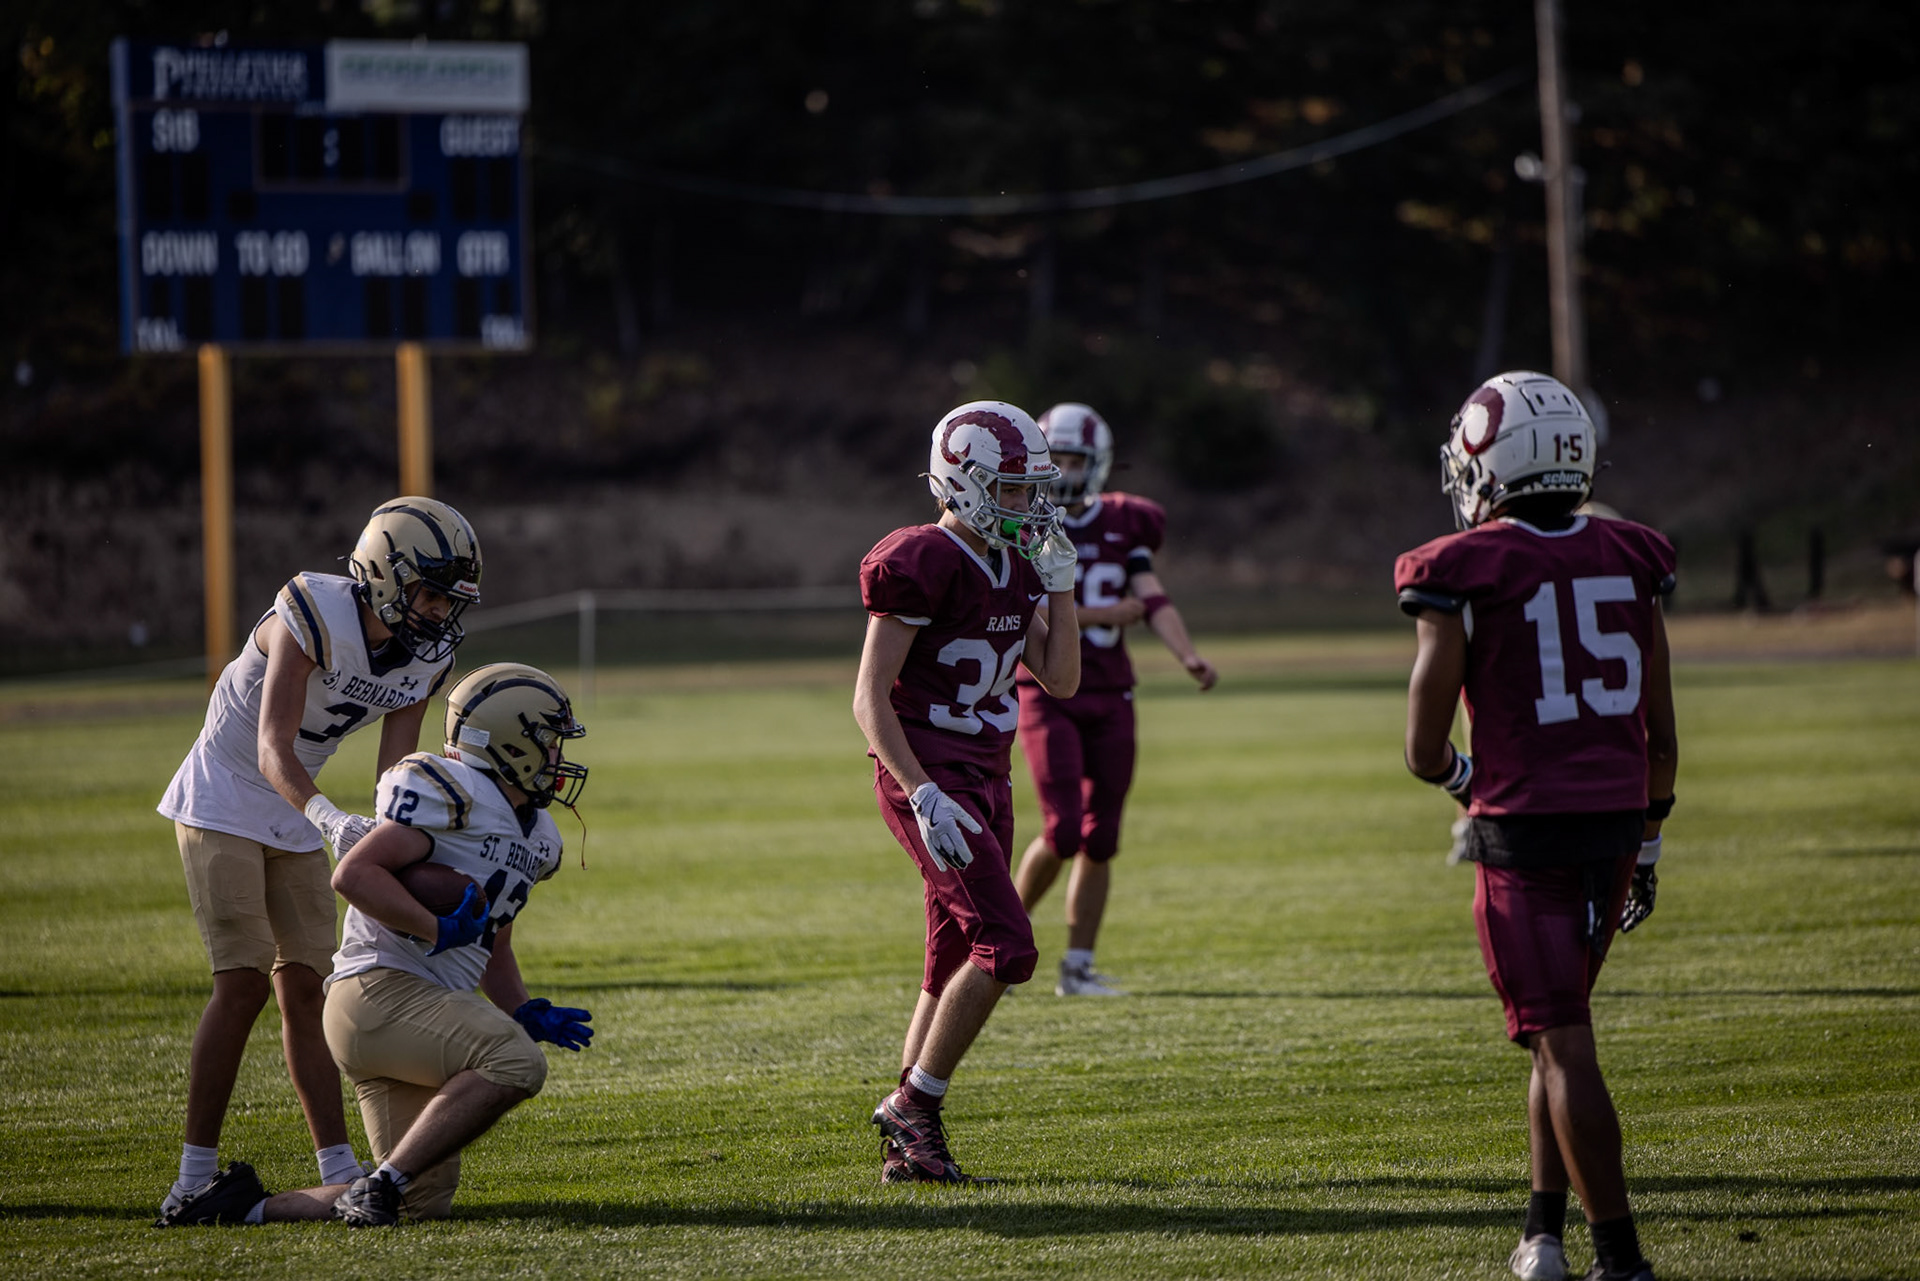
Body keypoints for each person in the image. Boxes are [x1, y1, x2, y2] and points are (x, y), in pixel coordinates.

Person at [1395, 372, 1676, 1281]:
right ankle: (1542, 1233)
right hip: (1619, 823)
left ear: (1491, 461)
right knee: (1564, 1035)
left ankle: (1620, 1257)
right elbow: (1661, 737)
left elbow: (1423, 746)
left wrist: (1464, 780)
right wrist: (1652, 840)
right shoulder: (1632, 551)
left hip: (1527, 834)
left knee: (1563, 1042)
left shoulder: (1462, 567)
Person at [159, 662, 595, 1226]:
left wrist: (523, 1007)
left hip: (413, 1013)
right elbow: (354, 875)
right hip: (379, 991)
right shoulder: (454, 792)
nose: (558, 757)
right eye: (549, 741)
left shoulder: (537, 835)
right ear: (510, 741)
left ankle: (240, 1208)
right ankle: (380, 1183)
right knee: (514, 1061)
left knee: (423, 1201)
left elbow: (495, 944)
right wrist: (435, 929)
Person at [154, 497, 482, 1223]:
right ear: (386, 574)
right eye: (430, 591)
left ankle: (338, 1166)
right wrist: (330, 817)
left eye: (449, 598)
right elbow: (273, 743)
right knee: (240, 983)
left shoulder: (427, 654)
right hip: (226, 791)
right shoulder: (310, 609)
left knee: (308, 987)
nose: (438, 611)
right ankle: (190, 1178)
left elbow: (398, 771)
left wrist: (409, 839)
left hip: (298, 810)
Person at [854, 400, 1081, 1183]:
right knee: (1008, 947)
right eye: (1014, 490)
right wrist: (920, 792)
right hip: (928, 776)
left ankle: (907, 1150)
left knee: (951, 954)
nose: (1029, 505)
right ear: (965, 481)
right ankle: (914, 1102)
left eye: (1032, 489)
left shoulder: (1018, 563)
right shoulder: (922, 557)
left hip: (989, 772)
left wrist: (1062, 588)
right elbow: (869, 698)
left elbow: (1062, 676)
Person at [1011, 403, 1217, 996]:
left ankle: (1078, 967)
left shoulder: (1125, 522)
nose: (1067, 470)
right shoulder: (1023, 519)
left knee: (1102, 836)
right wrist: (1100, 612)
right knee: (1064, 829)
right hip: (1050, 692)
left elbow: (1151, 596)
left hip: (1112, 692)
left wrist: (1187, 655)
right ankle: (995, 939)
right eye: (1059, 458)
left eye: (1076, 459)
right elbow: (1020, 606)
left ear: (1097, 465)